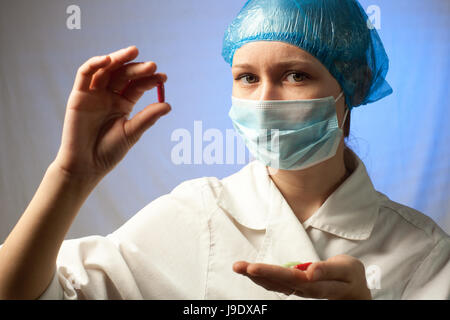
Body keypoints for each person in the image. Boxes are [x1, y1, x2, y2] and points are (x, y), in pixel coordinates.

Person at [0, 0, 448, 300]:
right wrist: (70, 175)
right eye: (248, 78)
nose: (265, 100)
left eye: (295, 75)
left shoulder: (424, 252)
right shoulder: (194, 213)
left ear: (354, 84)